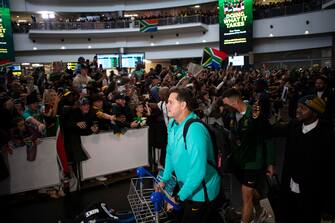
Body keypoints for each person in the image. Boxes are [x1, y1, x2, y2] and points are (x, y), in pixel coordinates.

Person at [159, 87, 221, 223]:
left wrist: (178, 198)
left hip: (201, 192)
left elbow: (198, 171)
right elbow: (170, 154)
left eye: (171, 102)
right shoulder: (173, 125)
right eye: (167, 102)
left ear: (183, 105)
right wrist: (164, 179)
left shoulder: (194, 130)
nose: (166, 105)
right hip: (187, 189)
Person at [271, 95, 334, 223]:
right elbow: (270, 131)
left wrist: (329, 207)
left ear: (315, 113)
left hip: (311, 196)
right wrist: (254, 113)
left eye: (303, 108)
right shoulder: (294, 126)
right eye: (298, 107)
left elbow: (331, 173)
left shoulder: (327, 137)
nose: (297, 110)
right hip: (289, 191)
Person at [221, 88, 275, 223]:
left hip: (253, 160)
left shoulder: (256, 113)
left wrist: (270, 163)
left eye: (227, 104)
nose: (225, 107)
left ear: (236, 101)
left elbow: (268, 139)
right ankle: (261, 209)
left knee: (246, 195)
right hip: (239, 161)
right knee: (250, 192)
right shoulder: (232, 115)